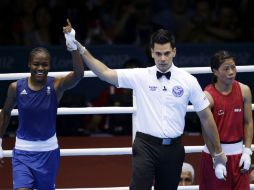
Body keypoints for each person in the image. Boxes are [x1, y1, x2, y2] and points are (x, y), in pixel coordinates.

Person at [63, 21, 227, 190]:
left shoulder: (189, 81)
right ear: (151, 53)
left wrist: (219, 152)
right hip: (145, 146)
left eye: (166, 53)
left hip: (174, 148)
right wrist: (80, 48)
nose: (162, 58)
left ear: (174, 52)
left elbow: (206, 117)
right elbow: (105, 73)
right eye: (158, 54)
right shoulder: (140, 75)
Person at [0, 19, 84, 189]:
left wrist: (72, 44)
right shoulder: (15, 87)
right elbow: (6, 113)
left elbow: (79, 74)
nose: (40, 67)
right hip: (23, 151)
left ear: (49, 66)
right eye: (36, 64)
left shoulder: (56, 86)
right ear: (29, 64)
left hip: (48, 152)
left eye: (44, 64)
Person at [199, 50, 253, 190]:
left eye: (233, 67)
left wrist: (247, 151)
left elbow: (248, 122)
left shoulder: (244, 90)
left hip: (239, 155)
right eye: (226, 68)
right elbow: (206, 131)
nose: (231, 72)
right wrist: (216, 158)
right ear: (215, 71)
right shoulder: (208, 96)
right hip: (216, 153)